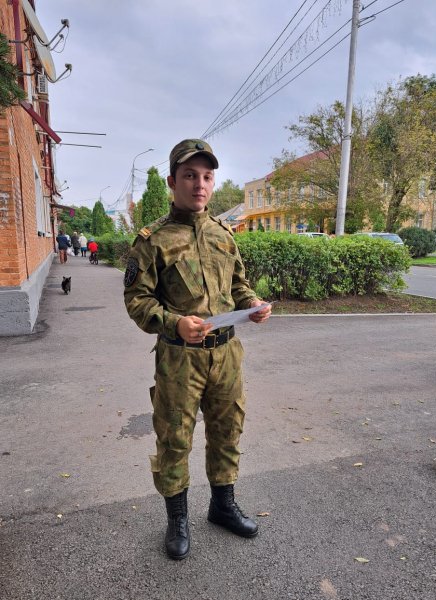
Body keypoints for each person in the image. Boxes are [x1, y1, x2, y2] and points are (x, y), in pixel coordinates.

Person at [124, 139, 271, 560]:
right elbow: (137, 301)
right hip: (179, 359)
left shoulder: (224, 234)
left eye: (207, 176)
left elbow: (238, 285)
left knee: (228, 430)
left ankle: (222, 506)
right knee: (175, 438)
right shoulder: (153, 240)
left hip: (227, 354)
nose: (200, 184)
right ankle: (177, 519)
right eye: (190, 176)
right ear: (173, 181)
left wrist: (253, 304)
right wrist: (174, 322)